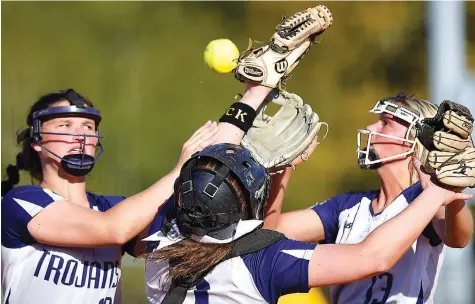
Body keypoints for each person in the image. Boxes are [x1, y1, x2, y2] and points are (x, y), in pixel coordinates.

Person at [143, 142, 471, 304]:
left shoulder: (160, 248)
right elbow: (372, 258)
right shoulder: (263, 261)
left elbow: (260, 232)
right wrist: (441, 191)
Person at [263, 93, 474, 303]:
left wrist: (450, 193)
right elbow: (268, 235)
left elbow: (458, 238)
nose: (372, 129)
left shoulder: (425, 195)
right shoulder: (348, 206)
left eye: (385, 124)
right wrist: (282, 168)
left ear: (415, 139)